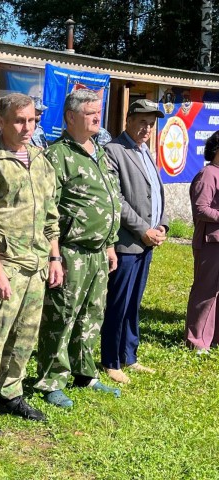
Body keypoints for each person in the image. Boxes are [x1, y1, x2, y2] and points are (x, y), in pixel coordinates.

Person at [0, 93, 62, 438]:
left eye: (32, 120)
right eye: (19, 121)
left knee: (25, 335)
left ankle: (11, 392)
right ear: (2, 122)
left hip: (36, 263)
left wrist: (54, 256)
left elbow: (51, 215)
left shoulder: (39, 158)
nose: (27, 127)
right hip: (6, 263)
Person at [34, 88, 121, 409]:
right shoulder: (57, 156)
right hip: (70, 250)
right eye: (90, 113)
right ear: (71, 117)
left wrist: (110, 245)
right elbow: (49, 209)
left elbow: (110, 198)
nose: (97, 117)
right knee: (62, 315)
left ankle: (85, 373)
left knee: (91, 315)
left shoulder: (99, 151)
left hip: (99, 252)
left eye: (99, 111)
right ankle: (51, 379)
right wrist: (54, 255)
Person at [101, 99, 168, 383]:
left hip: (147, 242)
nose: (146, 128)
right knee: (118, 303)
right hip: (127, 243)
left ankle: (129, 355)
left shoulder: (146, 152)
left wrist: (162, 224)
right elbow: (116, 199)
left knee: (134, 303)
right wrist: (143, 229)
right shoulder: (114, 151)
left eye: (151, 124)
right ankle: (111, 360)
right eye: (142, 122)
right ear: (128, 119)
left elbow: (157, 192)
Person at [185, 131, 219, 353]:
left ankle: (213, 338)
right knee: (206, 291)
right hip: (210, 243)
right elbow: (200, 208)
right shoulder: (208, 174)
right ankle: (196, 340)